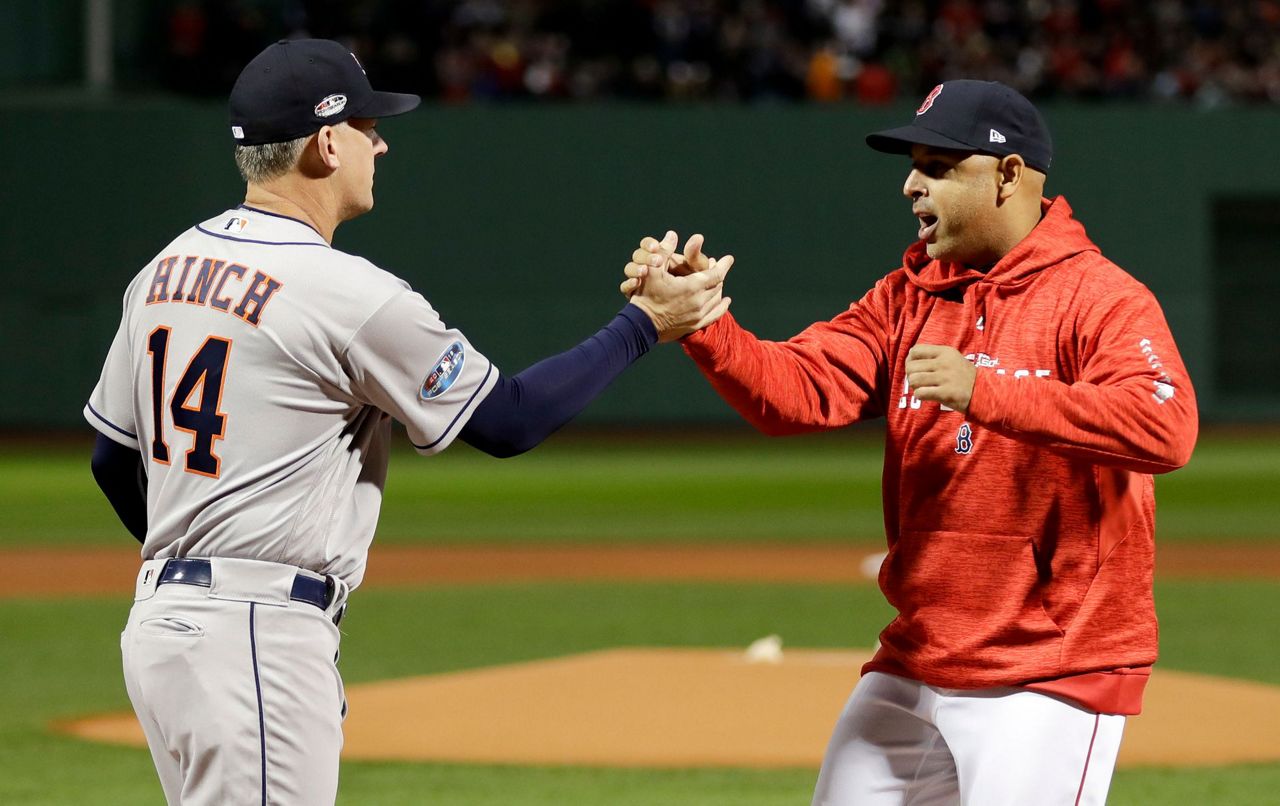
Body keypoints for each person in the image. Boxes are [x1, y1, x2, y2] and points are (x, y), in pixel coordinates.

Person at [84, 38, 730, 805]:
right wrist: (643, 323)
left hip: (163, 630)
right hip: (254, 636)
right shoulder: (344, 291)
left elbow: (110, 460)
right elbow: (508, 421)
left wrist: (197, 575)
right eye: (367, 126)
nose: (381, 143)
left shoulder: (163, 270)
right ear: (327, 143)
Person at [623, 80, 1198, 805]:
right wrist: (705, 327)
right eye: (912, 165)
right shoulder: (906, 296)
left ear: (1008, 175)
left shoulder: (1100, 298)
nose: (909, 185)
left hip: (1050, 671)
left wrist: (985, 392)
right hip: (916, 658)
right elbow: (797, 390)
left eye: (936, 166)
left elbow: (1165, 425)